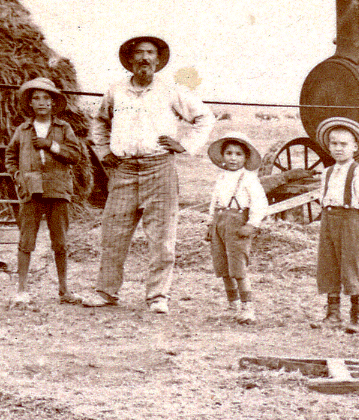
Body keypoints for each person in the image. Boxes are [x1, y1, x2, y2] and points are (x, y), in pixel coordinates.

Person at [82, 36, 213, 314]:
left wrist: (185, 145)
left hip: (159, 169)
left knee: (162, 238)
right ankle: (106, 292)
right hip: (124, 170)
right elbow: (100, 121)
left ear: (158, 59)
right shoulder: (116, 90)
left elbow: (204, 117)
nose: (144, 58)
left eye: (150, 53)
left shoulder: (172, 90)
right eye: (139, 53)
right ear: (130, 60)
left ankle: (158, 296)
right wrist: (104, 150)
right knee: (113, 235)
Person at [4, 77, 93, 306]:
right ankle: (22, 291)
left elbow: (75, 155)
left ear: (53, 103)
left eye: (46, 98)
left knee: (60, 242)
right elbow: (10, 156)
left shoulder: (64, 129)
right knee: (26, 240)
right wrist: (17, 176)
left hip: (58, 189)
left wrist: (51, 146)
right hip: (31, 190)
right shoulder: (22, 130)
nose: (41, 102)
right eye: (36, 98)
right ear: (30, 103)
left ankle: (64, 291)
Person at [312, 117, 359, 331]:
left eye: (344, 144)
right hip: (329, 221)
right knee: (328, 266)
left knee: (350, 267)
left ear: (355, 147)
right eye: (334, 143)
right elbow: (323, 199)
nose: (338, 148)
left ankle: (356, 316)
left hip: (350, 221)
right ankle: (332, 315)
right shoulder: (327, 172)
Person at [206, 135, 269, 323]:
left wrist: (252, 224)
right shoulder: (222, 177)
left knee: (238, 268)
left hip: (238, 225)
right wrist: (210, 224)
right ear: (223, 156)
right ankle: (232, 304)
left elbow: (260, 203)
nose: (233, 158)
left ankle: (247, 307)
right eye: (229, 153)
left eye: (238, 154)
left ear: (246, 158)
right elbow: (214, 202)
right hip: (220, 222)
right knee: (223, 267)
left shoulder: (249, 179)